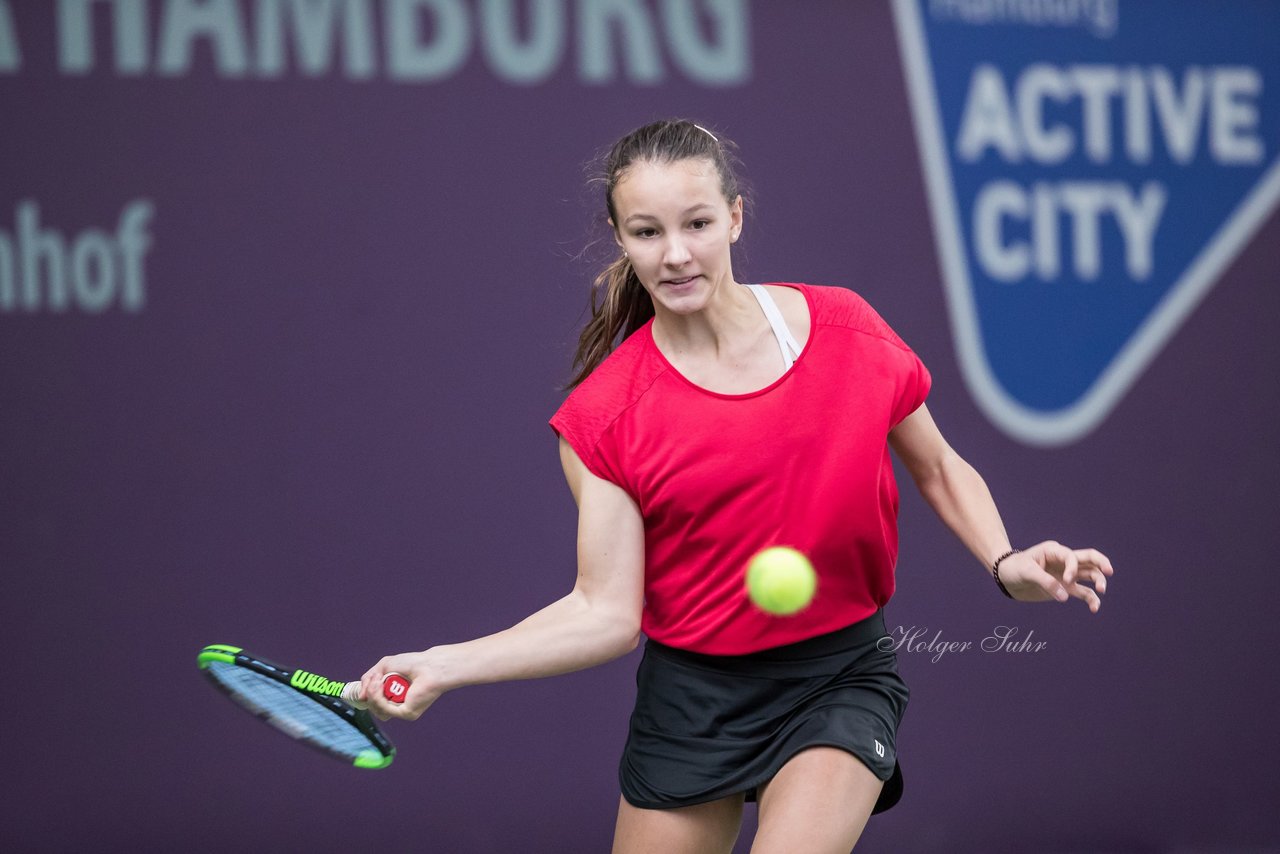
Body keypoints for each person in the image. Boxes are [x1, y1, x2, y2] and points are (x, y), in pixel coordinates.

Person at [358, 119, 1114, 853]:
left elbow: (939, 464)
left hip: (838, 675)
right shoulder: (604, 418)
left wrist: (1002, 560)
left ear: (735, 218)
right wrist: (445, 664)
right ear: (621, 239)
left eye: (697, 224)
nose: (676, 254)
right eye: (648, 232)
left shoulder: (846, 330)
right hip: (692, 697)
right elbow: (604, 611)